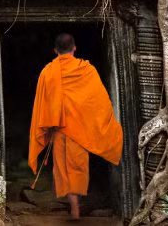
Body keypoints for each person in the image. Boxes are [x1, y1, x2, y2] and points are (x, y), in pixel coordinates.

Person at [28, 33, 123, 220]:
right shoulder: (86, 70)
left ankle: (74, 207)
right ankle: (76, 206)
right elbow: (99, 101)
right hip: (80, 130)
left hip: (59, 131)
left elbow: (42, 103)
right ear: (74, 48)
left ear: (55, 51)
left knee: (63, 169)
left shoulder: (48, 71)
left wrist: (48, 125)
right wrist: (98, 122)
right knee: (77, 167)